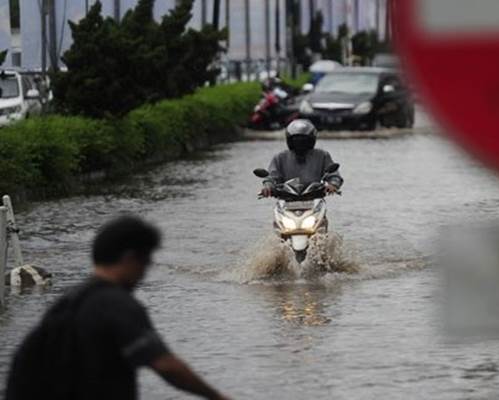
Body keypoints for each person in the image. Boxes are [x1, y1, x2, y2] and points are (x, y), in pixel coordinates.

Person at [5, 216, 231, 400]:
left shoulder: (66, 302)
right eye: (146, 262)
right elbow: (165, 365)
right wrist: (217, 397)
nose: (145, 272)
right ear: (130, 258)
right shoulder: (116, 303)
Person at [261, 119, 343, 198]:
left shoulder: (322, 156)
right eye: (296, 140)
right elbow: (271, 177)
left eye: (303, 140)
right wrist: (268, 186)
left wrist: (333, 184)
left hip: (314, 199)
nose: (299, 143)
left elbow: (334, 176)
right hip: (286, 200)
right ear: (290, 140)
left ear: (311, 140)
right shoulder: (280, 157)